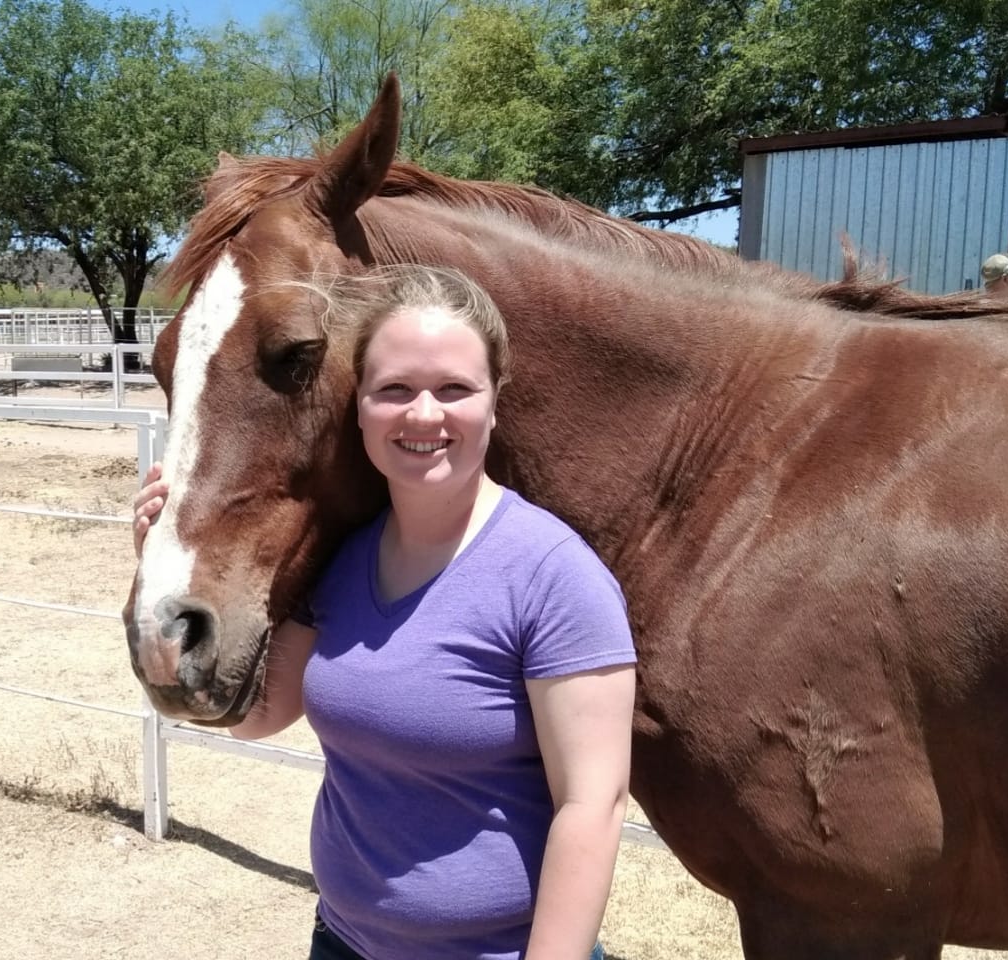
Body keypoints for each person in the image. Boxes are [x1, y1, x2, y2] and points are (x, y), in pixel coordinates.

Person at [133, 265, 636, 960]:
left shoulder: (555, 577)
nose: (423, 414)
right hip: (343, 941)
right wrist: (164, 571)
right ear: (359, 405)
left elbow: (593, 806)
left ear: (495, 400)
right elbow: (254, 717)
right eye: (394, 389)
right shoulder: (343, 561)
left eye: (454, 389)